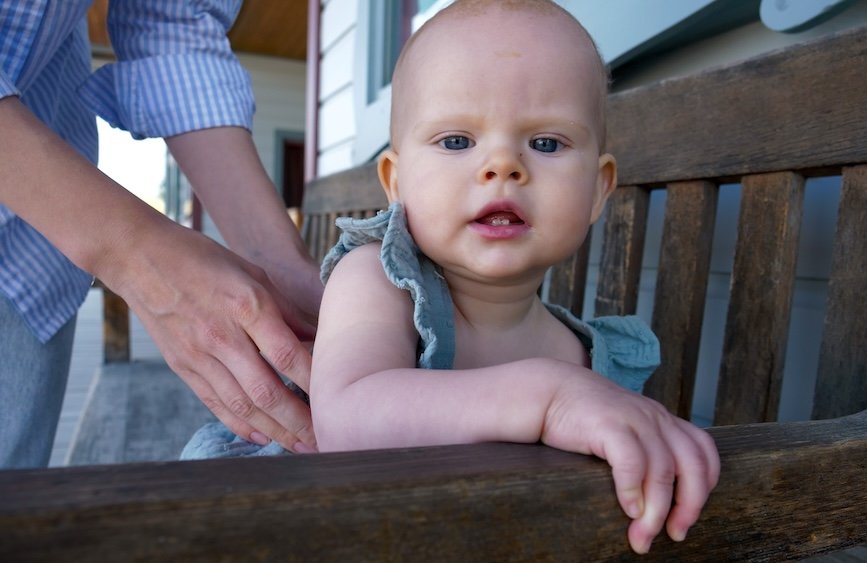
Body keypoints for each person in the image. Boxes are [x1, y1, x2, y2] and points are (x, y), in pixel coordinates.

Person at [182, 0, 720, 553]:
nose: (503, 165)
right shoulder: (377, 280)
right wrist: (549, 398)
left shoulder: (586, 359)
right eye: (457, 141)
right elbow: (345, 419)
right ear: (397, 182)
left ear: (598, 192)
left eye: (546, 143)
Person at [0, 0, 320, 469]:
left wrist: (279, 265)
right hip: (59, 223)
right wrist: (131, 252)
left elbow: (173, 21)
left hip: (32, 262)